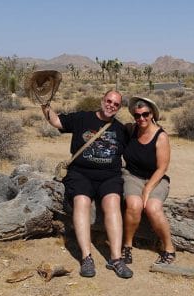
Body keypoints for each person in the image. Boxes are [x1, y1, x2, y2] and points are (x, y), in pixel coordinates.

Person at [41, 90, 133, 279]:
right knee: (81, 201)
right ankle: (86, 258)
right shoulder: (82, 118)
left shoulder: (120, 129)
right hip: (81, 174)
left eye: (116, 104)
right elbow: (56, 121)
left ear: (119, 108)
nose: (111, 106)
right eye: (109, 101)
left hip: (109, 176)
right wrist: (45, 105)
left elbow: (138, 148)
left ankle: (116, 259)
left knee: (113, 203)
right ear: (102, 100)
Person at [121, 96, 176, 265]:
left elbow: (162, 168)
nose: (141, 118)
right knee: (134, 205)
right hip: (132, 176)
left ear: (152, 114)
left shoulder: (161, 136)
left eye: (145, 114)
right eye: (137, 115)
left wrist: (147, 190)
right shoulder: (130, 130)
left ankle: (169, 248)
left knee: (152, 207)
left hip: (156, 178)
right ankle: (127, 246)